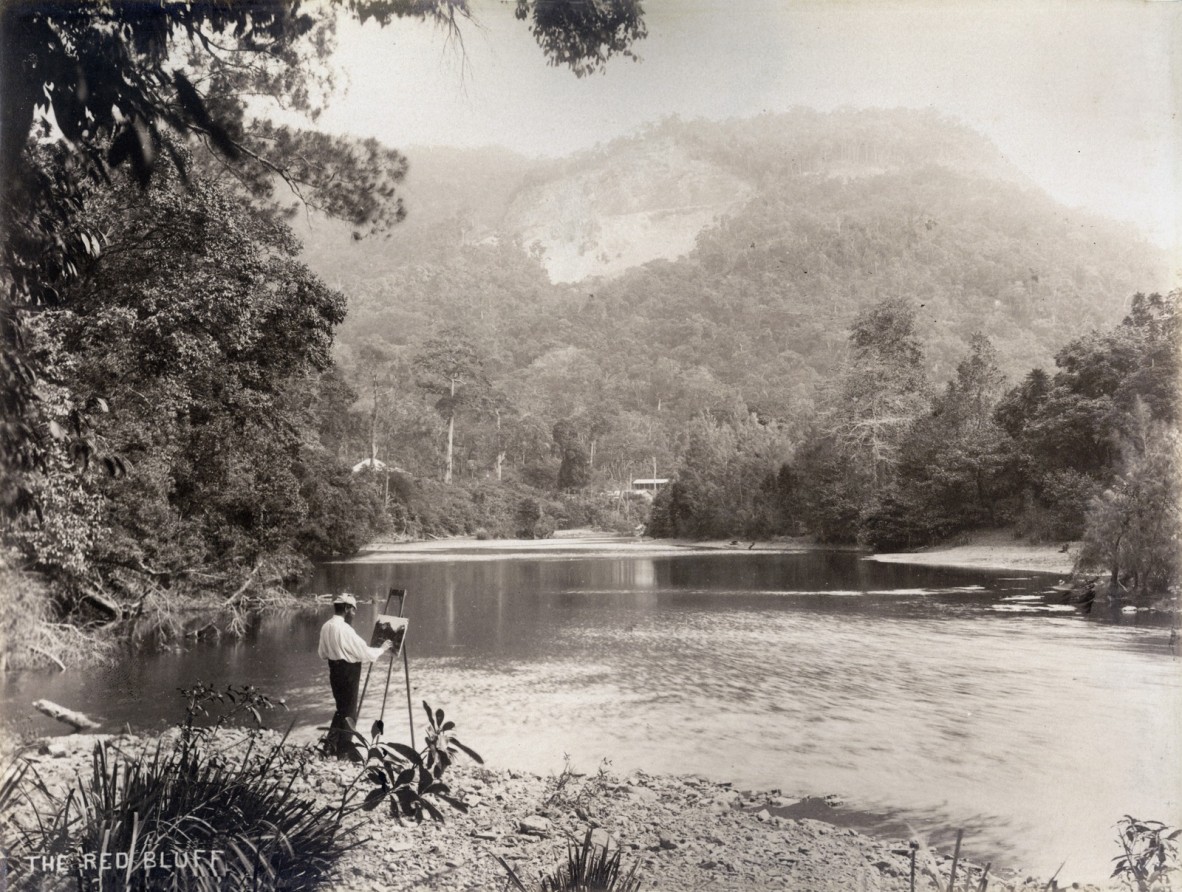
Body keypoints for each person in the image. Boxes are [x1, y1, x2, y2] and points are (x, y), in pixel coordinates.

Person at [318, 593, 391, 759]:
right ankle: (344, 751)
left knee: (341, 709)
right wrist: (383, 649)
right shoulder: (345, 629)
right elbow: (365, 652)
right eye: (353, 610)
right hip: (348, 671)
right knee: (350, 711)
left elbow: (322, 653)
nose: (354, 614)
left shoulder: (326, 626)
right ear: (346, 609)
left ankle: (330, 746)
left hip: (334, 670)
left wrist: (337, 653)